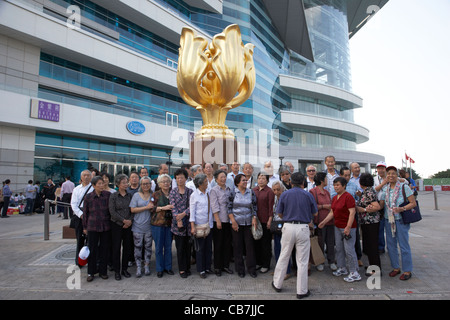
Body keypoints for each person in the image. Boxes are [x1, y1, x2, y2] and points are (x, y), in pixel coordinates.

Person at [272, 172, 318, 299]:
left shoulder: (285, 194)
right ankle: (302, 291)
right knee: (302, 260)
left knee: (284, 255)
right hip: (303, 227)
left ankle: (277, 284)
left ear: (291, 182)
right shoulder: (308, 195)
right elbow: (314, 213)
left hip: (288, 226)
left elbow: (279, 213)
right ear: (303, 182)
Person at [319, 177, 360, 283]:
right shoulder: (335, 198)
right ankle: (342, 268)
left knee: (349, 250)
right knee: (339, 248)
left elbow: (352, 213)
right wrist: (324, 222)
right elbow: (332, 212)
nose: (336, 187)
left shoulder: (348, 197)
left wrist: (348, 227)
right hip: (337, 226)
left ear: (344, 185)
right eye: (334, 185)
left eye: (338, 185)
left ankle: (354, 272)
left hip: (348, 227)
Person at [379, 166, 416, 281]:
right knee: (390, 245)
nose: (390, 175)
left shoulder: (404, 187)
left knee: (404, 245)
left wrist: (402, 209)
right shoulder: (386, 189)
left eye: (393, 173)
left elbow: (413, 203)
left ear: (397, 175)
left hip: (400, 220)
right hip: (388, 220)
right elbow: (382, 205)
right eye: (388, 173)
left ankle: (407, 270)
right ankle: (395, 267)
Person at [228, 174, 258, 278]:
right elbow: (229, 208)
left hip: (248, 223)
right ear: (237, 183)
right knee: (238, 247)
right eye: (243, 180)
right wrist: (233, 221)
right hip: (236, 224)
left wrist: (254, 218)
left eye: (246, 180)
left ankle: (251, 269)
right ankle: (240, 269)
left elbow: (254, 207)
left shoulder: (251, 192)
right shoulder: (232, 193)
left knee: (250, 247)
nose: (245, 182)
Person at [82, 176, 111, 282]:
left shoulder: (108, 195)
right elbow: (85, 213)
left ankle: (103, 271)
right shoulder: (88, 197)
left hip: (105, 226)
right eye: (99, 184)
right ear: (93, 186)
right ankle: (91, 272)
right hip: (92, 226)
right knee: (92, 250)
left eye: (102, 183)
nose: (101, 185)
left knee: (104, 249)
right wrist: (84, 227)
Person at [355, 173, 381, 275]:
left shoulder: (369, 192)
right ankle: (372, 265)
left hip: (371, 222)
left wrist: (364, 209)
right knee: (369, 245)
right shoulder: (367, 191)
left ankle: (375, 269)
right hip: (367, 222)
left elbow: (376, 206)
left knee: (372, 246)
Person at [310, 172, 336, 272]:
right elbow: (312, 207)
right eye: (326, 178)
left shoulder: (327, 192)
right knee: (320, 242)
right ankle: (319, 262)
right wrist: (324, 206)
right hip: (319, 222)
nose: (327, 180)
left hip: (330, 221)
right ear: (321, 180)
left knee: (330, 242)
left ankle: (331, 261)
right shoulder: (313, 192)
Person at [170, 168, 194, 278]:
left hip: (189, 223)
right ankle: (182, 269)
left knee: (188, 247)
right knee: (180, 248)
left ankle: (188, 267)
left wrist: (183, 214)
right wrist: (178, 219)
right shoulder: (173, 192)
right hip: (177, 224)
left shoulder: (190, 191)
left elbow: (192, 206)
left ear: (185, 178)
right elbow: (173, 207)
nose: (180, 179)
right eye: (178, 177)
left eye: (182, 177)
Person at [109, 173, 133, 280]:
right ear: (118, 184)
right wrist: (123, 220)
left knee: (127, 247)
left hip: (128, 225)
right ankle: (117, 271)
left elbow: (133, 209)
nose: (125, 184)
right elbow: (112, 211)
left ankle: (124, 269)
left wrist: (129, 221)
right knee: (116, 248)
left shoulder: (130, 195)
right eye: (123, 182)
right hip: (116, 225)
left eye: (126, 182)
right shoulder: (113, 196)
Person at [189, 173, 214, 278]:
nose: (207, 183)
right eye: (205, 182)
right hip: (199, 226)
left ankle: (207, 267)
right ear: (199, 184)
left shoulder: (208, 193)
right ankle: (201, 269)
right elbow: (192, 212)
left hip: (209, 225)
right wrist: (192, 226)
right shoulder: (194, 195)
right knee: (200, 249)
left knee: (208, 248)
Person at [210, 170, 233, 276]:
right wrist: (218, 220)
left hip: (228, 221)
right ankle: (217, 267)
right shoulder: (214, 190)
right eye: (221, 177)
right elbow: (214, 206)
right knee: (218, 244)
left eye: (224, 177)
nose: (223, 179)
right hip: (218, 221)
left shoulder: (229, 189)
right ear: (216, 179)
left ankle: (225, 265)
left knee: (227, 244)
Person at [130, 176, 154, 277]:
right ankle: (139, 267)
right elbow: (132, 209)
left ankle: (147, 265)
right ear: (141, 185)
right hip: (137, 226)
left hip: (149, 226)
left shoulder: (153, 195)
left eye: (147, 183)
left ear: (150, 185)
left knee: (148, 247)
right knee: (138, 247)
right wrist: (146, 207)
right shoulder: (136, 195)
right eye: (144, 184)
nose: (145, 186)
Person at [152, 174, 174, 277]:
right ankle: (160, 269)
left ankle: (168, 267)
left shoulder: (173, 193)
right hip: (158, 224)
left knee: (168, 247)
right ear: (159, 184)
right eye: (163, 182)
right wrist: (163, 208)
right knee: (159, 247)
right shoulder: (155, 195)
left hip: (170, 224)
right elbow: (151, 209)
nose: (166, 183)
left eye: (167, 181)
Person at [253, 172, 275, 273]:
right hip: (255, 221)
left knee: (265, 243)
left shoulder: (269, 191)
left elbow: (271, 207)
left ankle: (266, 264)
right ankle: (258, 262)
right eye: (259, 178)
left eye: (263, 178)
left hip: (265, 220)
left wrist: (270, 220)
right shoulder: (254, 190)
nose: (261, 180)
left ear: (267, 180)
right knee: (256, 242)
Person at [70, 170, 93, 266]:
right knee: (79, 239)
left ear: (91, 177)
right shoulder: (76, 189)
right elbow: (73, 204)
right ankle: (79, 262)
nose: (86, 177)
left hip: (91, 216)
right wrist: (81, 215)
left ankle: (91, 261)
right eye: (84, 175)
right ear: (81, 177)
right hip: (79, 217)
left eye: (88, 175)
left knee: (91, 240)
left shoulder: (93, 188)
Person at [271, 180, 291, 278]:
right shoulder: (274, 198)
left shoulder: (287, 196)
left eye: (278, 190)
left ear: (282, 189)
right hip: (276, 224)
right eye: (274, 190)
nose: (276, 192)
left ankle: (287, 271)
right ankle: (278, 270)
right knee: (277, 248)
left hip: (286, 223)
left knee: (285, 249)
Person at [374, 161, 388, 253]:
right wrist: (383, 183)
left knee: (390, 227)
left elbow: (405, 181)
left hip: (390, 204)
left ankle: (392, 247)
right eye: (379, 168)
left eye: (382, 168)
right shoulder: (375, 179)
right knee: (380, 227)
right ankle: (380, 247)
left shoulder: (390, 177)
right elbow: (374, 190)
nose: (380, 170)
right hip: (379, 204)